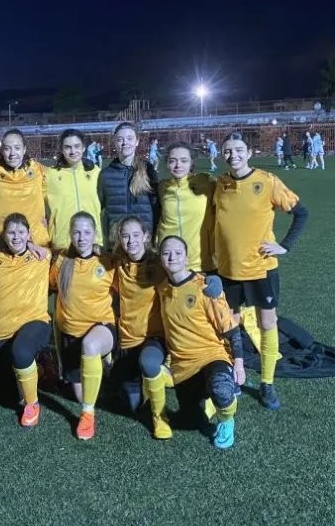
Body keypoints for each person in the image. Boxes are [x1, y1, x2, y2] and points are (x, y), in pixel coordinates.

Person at [214, 132, 309, 410]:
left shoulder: (267, 181)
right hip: (228, 270)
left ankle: (267, 382)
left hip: (261, 270)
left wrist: (285, 246)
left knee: (267, 324)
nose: (233, 155)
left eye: (238, 150)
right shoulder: (219, 184)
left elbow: (301, 213)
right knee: (229, 325)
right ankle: (234, 374)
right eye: (227, 151)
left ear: (250, 152)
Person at [158, 236, 241, 449]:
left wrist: (239, 363)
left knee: (221, 389)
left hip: (211, 355)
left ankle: (227, 419)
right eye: (166, 253)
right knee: (193, 421)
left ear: (187, 258)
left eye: (178, 253)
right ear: (160, 258)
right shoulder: (161, 289)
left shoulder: (205, 287)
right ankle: (210, 400)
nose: (172, 257)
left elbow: (230, 327)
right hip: (183, 365)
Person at [0, 213, 52, 428]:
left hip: (34, 321)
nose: (16, 237)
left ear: (29, 234)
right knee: (8, 393)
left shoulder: (42, 256)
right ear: (3, 235)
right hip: (1, 331)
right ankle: (39, 367)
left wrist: (32, 245)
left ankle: (32, 404)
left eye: (21, 232)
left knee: (21, 352)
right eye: (11, 232)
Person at [50, 211, 116, 440]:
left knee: (90, 345)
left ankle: (87, 416)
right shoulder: (61, 262)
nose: (81, 237)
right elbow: (48, 285)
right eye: (76, 232)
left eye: (87, 232)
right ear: (70, 234)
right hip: (70, 334)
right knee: (81, 394)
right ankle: (98, 367)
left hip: (101, 327)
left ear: (95, 234)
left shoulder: (107, 262)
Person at [110, 217, 170, 438]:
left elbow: (183, 280)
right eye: (125, 236)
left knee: (148, 363)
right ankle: (150, 379)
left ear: (146, 236)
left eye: (136, 235)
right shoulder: (117, 264)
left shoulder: (160, 265)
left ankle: (160, 417)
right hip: (127, 340)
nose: (131, 241)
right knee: (131, 405)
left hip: (153, 338)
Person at [0, 129, 47, 245]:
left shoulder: (37, 169)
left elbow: (61, 181)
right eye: (7, 149)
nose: (12, 154)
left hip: (37, 244)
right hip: (5, 245)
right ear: (2, 151)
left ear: (24, 149)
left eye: (17, 148)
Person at [97, 121, 159, 246]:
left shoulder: (148, 170)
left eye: (130, 138)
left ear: (137, 141)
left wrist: (153, 237)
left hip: (143, 242)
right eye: (120, 139)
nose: (125, 143)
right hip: (117, 242)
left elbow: (157, 207)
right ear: (115, 143)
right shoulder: (105, 175)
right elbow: (97, 208)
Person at [156, 142, 214, 272]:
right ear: (167, 163)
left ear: (191, 162)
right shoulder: (162, 187)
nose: (178, 165)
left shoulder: (206, 181)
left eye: (184, 160)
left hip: (200, 263)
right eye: (172, 161)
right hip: (169, 262)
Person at [45, 128, 103, 250]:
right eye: (68, 147)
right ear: (61, 149)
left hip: (92, 243)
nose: (73, 151)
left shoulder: (95, 172)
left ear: (83, 148)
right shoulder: (50, 175)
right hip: (63, 244)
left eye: (77, 146)